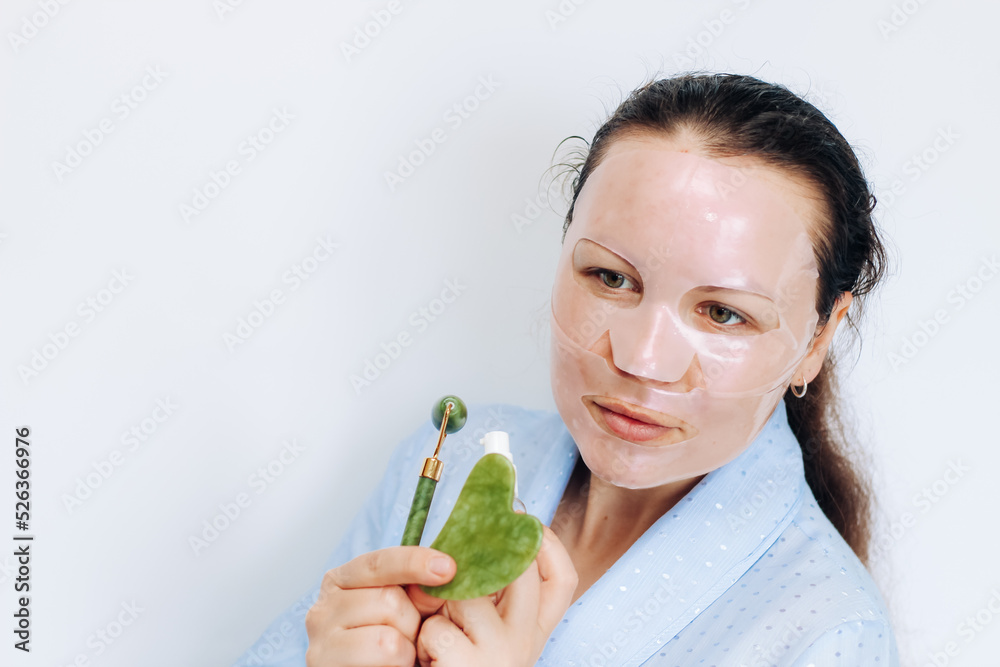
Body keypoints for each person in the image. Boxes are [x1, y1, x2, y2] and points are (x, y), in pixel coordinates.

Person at [234, 72, 900, 666]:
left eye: (724, 314)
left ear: (818, 337)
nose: (641, 359)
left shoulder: (829, 635)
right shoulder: (450, 458)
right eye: (610, 276)